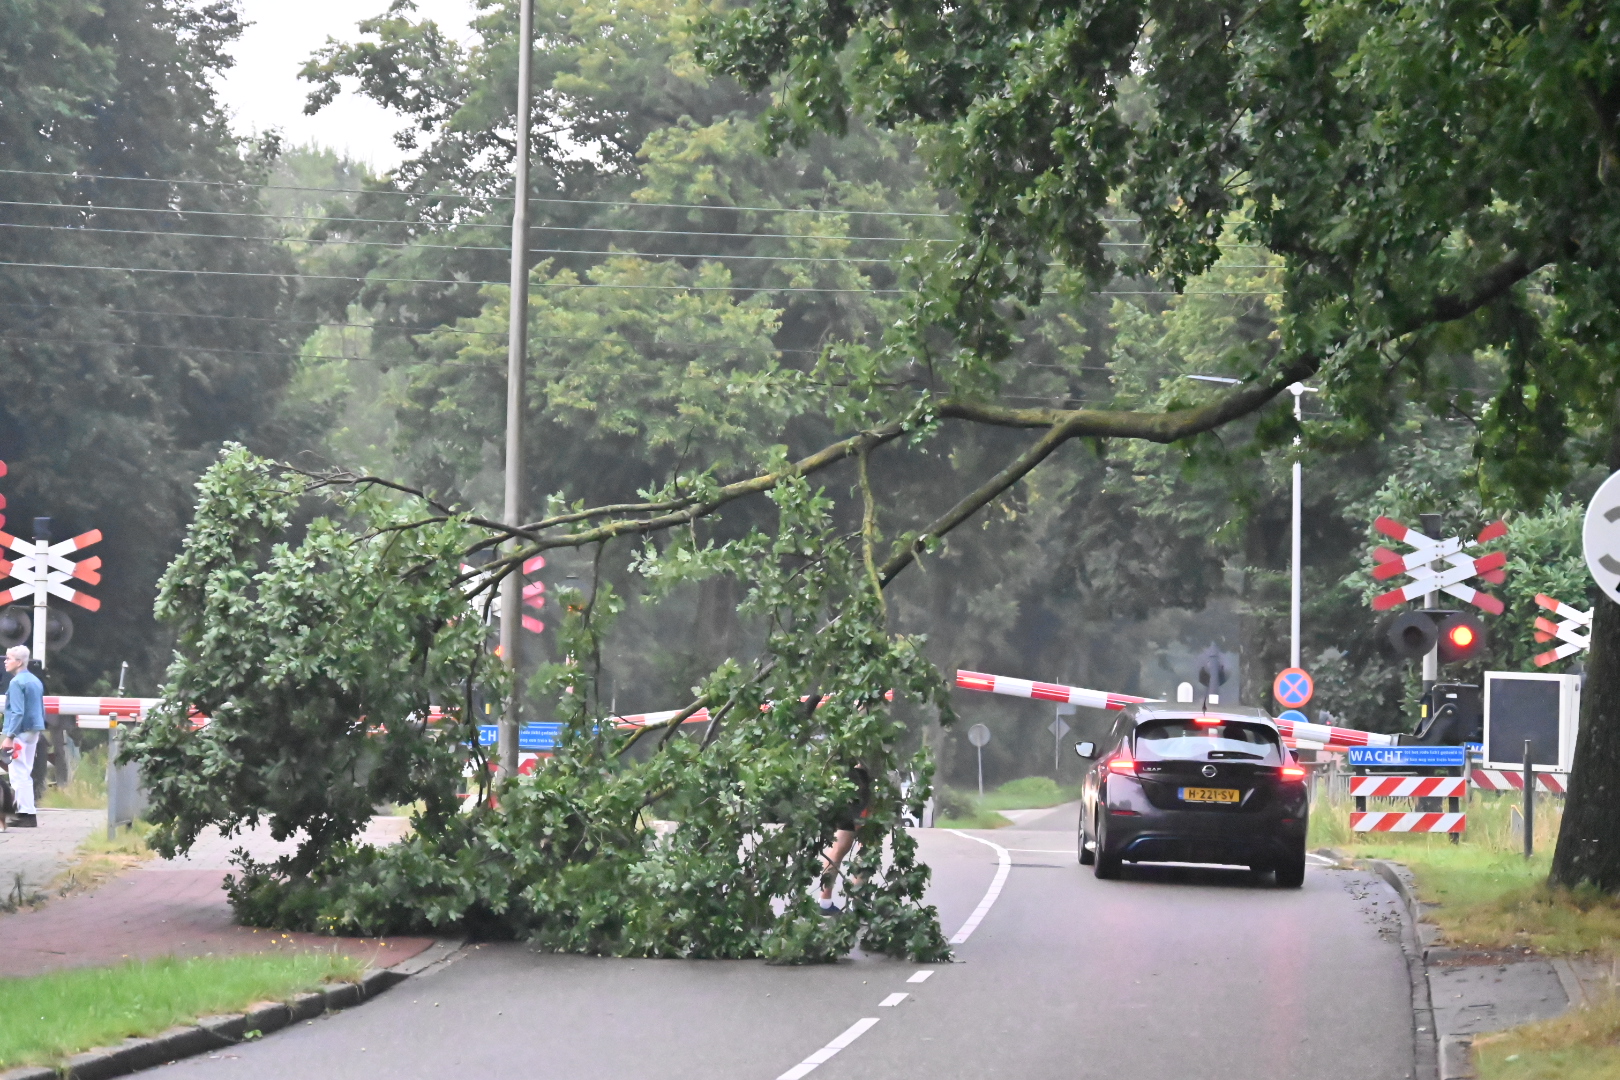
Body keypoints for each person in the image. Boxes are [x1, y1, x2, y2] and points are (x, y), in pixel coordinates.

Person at [818, 762, 871, 915]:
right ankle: (856, 902)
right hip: (863, 779)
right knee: (866, 843)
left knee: (841, 844)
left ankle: (825, 901)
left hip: (850, 780)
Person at [2, 645, 45, 827]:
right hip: (33, 730)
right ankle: (28, 812)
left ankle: (24, 812)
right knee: (25, 772)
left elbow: (17, 712)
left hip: (20, 732)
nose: (5, 661)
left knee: (18, 773)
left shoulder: (16, 683)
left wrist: (9, 736)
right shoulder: (34, 680)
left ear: (19, 662)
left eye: (9, 658)